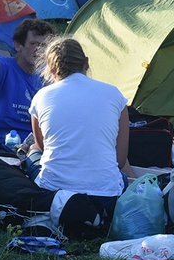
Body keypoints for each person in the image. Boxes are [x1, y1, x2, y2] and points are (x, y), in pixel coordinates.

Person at [24, 36, 134, 225]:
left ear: (51, 69)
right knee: (118, 174)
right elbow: (120, 159)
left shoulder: (41, 97)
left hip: (54, 195)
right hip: (107, 197)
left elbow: (43, 148)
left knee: (33, 148)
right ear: (87, 64)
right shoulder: (114, 94)